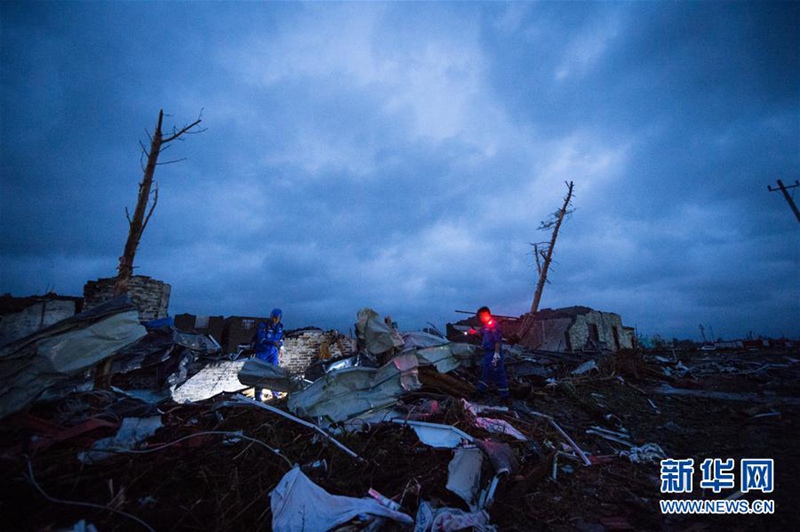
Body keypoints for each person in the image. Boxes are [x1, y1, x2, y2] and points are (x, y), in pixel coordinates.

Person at [470, 306, 510, 405]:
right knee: (486, 371)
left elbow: (497, 341)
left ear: (486, 314)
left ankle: (505, 397)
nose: (480, 318)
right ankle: (480, 391)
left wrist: (496, 354)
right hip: (488, 353)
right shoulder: (487, 326)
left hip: (494, 353)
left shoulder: (493, 325)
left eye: (481, 316)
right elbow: (480, 332)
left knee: (498, 373)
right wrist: (472, 332)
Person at [253, 308, 284, 401]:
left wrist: (280, 349)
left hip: (273, 353)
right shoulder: (263, 326)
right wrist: (273, 342)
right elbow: (261, 339)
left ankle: (275, 393)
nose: (274, 320)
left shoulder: (280, 327)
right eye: (273, 317)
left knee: (274, 372)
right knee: (260, 373)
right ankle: (258, 395)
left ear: (280, 318)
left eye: (276, 318)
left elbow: (281, 339)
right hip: (262, 352)